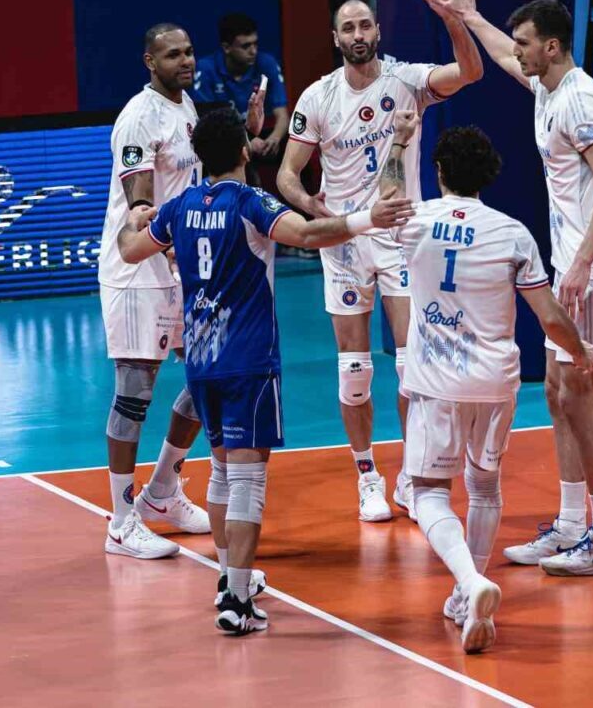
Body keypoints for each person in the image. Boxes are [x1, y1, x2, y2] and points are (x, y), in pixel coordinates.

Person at [116, 107, 415, 635]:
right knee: (248, 479)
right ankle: (236, 599)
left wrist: (134, 217)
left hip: (201, 364)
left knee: (222, 472)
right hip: (248, 361)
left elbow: (129, 249)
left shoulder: (179, 206)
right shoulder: (250, 203)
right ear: (242, 150)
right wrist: (368, 219)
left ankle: (228, 579)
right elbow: (309, 234)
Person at [441, 0, 593, 576]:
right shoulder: (548, 88)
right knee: (557, 393)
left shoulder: (581, 100)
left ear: (552, 46)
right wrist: (469, 17)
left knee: (582, 397)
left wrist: (580, 264)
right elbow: (503, 57)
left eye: (526, 42)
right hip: (574, 265)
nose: (517, 51)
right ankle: (572, 524)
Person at [276, 0, 484, 523]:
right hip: (346, 241)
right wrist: (311, 206)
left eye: (365, 24)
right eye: (348, 28)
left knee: (413, 366)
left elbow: (470, 71)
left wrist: (455, 21)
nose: (358, 34)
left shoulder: (406, 80)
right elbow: (287, 174)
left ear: (377, 31)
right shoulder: (318, 97)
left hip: (399, 237)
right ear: (336, 38)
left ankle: (413, 477)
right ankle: (367, 475)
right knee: (354, 372)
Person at [380, 114, 593, 652]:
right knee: (484, 487)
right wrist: (579, 350)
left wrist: (400, 139)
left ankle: (471, 582)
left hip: (438, 384)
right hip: (496, 382)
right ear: (488, 174)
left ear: (439, 171)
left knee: (429, 492)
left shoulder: (417, 220)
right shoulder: (512, 232)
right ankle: (464, 597)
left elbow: (386, 197)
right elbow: (549, 314)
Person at [97, 23, 214, 559]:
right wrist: (166, 240)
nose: (185, 61)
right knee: (135, 391)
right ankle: (122, 524)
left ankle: (163, 491)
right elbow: (141, 206)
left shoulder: (186, 106)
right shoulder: (138, 117)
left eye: (189, 52)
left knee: (207, 379)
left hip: (179, 266)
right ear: (150, 61)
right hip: (138, 271)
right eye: (173, 55)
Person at [192, 13, 291, 197]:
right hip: (225, 138)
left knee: (293, 146)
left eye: (255, 44)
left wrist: (274, 139)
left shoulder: (266, 63)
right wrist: (246, 141)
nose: (253, 51)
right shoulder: (206, 70)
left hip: (260, 134)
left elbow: (282, 115)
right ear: (226, 48)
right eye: (246, 46)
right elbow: (210, 125)